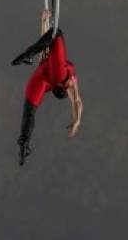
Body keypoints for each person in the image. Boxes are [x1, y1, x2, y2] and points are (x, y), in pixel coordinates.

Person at [11, 10, 83, 166]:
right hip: (41, 80)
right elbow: (45, 41)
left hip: (49, 75)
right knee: (29, 112)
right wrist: (43, 21)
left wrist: (77, 120)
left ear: (64, 87)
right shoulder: (51, 76)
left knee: (57, 33)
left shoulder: (67, 77)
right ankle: (24, 145)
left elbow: (76, 100)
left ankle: (27, 54)